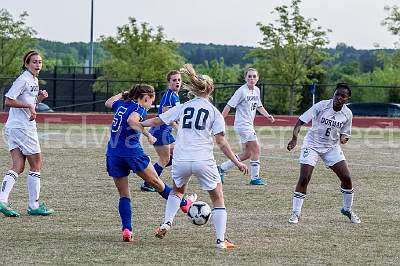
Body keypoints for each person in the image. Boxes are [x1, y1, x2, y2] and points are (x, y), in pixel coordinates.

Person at [141, 64, 248, 249]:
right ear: (210, 90)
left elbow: (158, 119)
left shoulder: (184, 106)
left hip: (181, 160)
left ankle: (167, 223)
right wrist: (236, 162)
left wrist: (139, 122)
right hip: (203, 161)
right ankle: (220, 241)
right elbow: (221, 142)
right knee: (218, 199)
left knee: (177, 192)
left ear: (194, 89)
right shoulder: (214, 112)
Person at [104, 84, 196, 242]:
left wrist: (123, 93)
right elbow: (132, 120)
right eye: (150, 102)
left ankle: (127, 229)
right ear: (145, 98)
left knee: (124, 195)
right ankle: (184, 203)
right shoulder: (138, 108)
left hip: (113, 154)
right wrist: (147, 134)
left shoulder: (122, 104)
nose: (150, 106)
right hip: (132, 153)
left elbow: (108, 102)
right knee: (158, 184)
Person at [286, 83, 361, 224]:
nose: (338, 97)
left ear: (347, 98)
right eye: (337, 94)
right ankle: (296, 213)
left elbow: (345, 133)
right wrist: (294, 139)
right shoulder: (322, 105)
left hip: (331, 147)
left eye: (342, 96)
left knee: (347, 178)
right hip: (312, 145)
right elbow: (301, 121)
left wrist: (344, 138)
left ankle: (347, 209)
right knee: (304, 177)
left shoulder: (347, 114)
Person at [0, 50, 53, 217]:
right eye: (34, 62)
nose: (38, 64)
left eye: (40, 62)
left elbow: (28, 102)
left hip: (14, 127)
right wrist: (30, 106)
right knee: (36, 164)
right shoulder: (23, 79)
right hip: (23, 128)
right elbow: (8, 100)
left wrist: (38, 100)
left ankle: (2, 200)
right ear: (26, 64)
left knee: (18, 166)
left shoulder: (33, 80)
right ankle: (33, 205)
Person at [217, 68, 275, 185]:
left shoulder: (257, 90)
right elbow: (229, 106)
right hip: (242, 125)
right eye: (249, 76)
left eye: (254, 76)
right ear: (245, 78)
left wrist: (267, 115)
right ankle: (255, 178)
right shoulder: (241, 91)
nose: (252, 79)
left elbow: (259, 106)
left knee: (247, 154)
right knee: (256, 148)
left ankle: (221, 168)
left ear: (257, 78)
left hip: (248, 125)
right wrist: (220, 122)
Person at [141, 70, 182, 192]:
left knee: (175, 155)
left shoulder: (175, 95)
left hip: (165, 132)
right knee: (165, 159)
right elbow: (166, 115)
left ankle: (151, 173)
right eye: (174, 80)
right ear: (169, 82)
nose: (177, 82)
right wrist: (178, 128)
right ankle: (149, 182)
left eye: (179, 80)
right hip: (161, 131)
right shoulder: (169, 95)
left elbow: (175, 115)